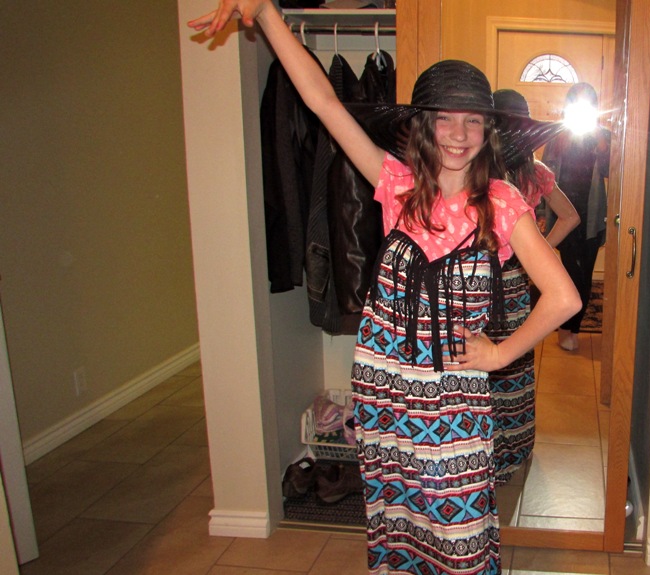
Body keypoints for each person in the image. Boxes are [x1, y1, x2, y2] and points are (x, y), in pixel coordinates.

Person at [189, 3, 581, 574]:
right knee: (399, 526)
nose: (459, 134)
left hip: (452, 404)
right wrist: (268, 15)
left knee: (460, 538)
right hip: (385, 395)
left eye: (473, 120)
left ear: (489, 131)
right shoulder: (396, 186)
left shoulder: (500, 201)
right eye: (444, 119)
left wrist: (499, 353)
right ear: (422, 127)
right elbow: (323, 102)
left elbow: (564, 297)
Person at [486, 89, 579, 485]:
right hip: (517, 280)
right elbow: (570, 216)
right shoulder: (535, 171)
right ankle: (516, 447)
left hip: (482, 280)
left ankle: (490, 453)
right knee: (516, 359)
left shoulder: (479, 173)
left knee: (488, 363)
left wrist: (536, 251)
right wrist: (538, 251)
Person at [541, 82, 611, 352]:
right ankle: (565, 328)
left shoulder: (603, 136)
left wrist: (601, 142)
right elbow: (543, 177)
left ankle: (574, 329)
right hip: (564, 217)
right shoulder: (557, 136)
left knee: (585, 276)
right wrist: (541, 215)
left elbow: (611, 171)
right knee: (570, 275)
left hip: (591, 217)